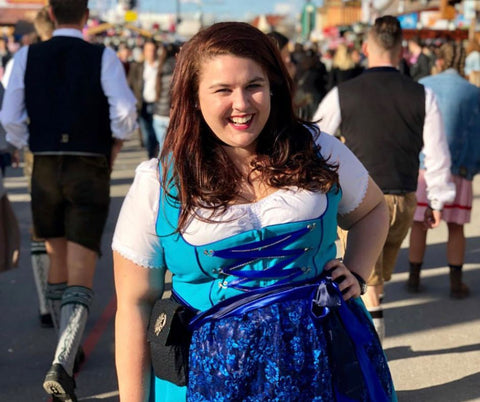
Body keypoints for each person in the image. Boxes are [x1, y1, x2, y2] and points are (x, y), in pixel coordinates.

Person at [113, 21, 396, 401]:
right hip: (210, 379)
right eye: (223, 90)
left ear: (273, 88)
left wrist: (358, 272)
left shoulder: (317, 149)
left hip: (327, 360)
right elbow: (134, 305)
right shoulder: (157, 183)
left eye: (254, 86)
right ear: (194, 97)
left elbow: (373, 209)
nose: (242, 104)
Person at [0, 0, 137, 400]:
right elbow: (125, 110)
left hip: (43, 163)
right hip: (87, 163)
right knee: (81, 264)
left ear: (53, 14)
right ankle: (64, 358)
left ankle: (66, 350)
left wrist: (31, 144)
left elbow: (9, 116)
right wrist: (112, 142)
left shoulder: (27, 54)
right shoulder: (102, 56)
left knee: (57, 255)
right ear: (85, 15)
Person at [313, 15, 455, 342]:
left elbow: (314, 140)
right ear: (402, 50)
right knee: (374, 280)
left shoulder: (342, 94)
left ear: (365, 48)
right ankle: (373, 335)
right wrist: (436, 200)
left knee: (365, 281)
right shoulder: (422, 94)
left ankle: (371, 347)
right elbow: (436, 153)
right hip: (404, 197)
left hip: (360, 205)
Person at [407, 42, 480, 298]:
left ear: (440, 60)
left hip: (424, 167)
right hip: (458, 168)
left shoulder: (424, 85)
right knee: (456, 227)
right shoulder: (473, 92)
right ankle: (455, 282)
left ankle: (414, 277)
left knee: (418, 223)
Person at [128, 38, 160, 158]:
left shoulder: (161, 66)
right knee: (147, 135)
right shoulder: (137, 67)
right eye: (148, 50)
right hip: (142, 105)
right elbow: (130, 85)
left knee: (157, 135)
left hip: (158, 105)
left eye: (153, 50)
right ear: (144, 52)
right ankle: (152, 157)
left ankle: (156, 158)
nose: (151, 53)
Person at [151, 42, 178, 147]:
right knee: (171, 151)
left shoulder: (160, 67)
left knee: (163, 149)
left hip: (158, 113)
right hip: (170, 114)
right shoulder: (176, 69)